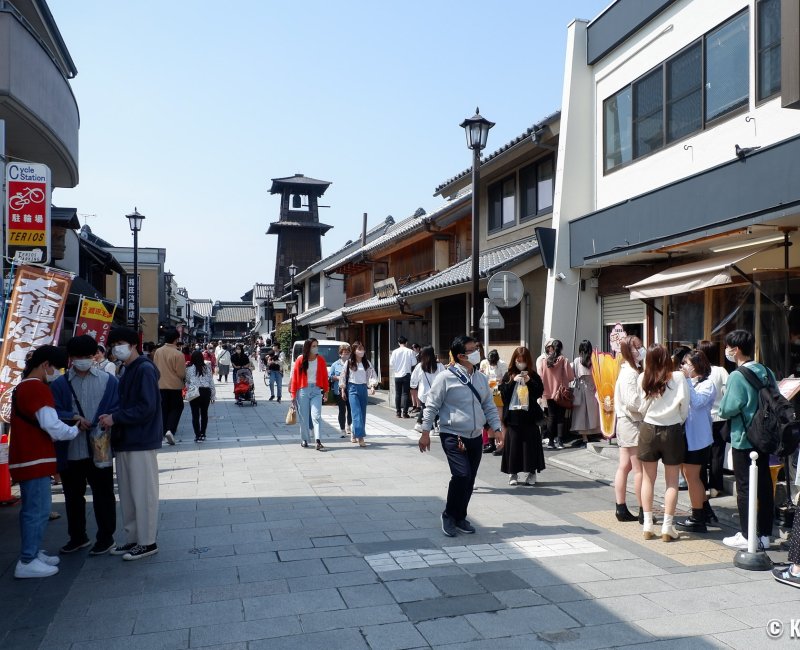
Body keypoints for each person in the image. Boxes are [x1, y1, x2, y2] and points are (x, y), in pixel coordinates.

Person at [419, 336, 502, 537]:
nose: (477, 352)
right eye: (472, 350)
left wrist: (497, 429)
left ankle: (460, 516)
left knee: (470, 479)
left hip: (475, 435)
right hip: (453, 434)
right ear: (461, 356)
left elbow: (489, 406)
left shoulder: (481, 378)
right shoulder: (445, 377)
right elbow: (432, 406)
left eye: (477, 348)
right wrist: (425, 433)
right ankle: (448, 515)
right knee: (461, 475)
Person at [9, 346, 80, 578]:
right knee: (36, 511)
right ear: (45, 364)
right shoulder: (36, 388)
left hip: (29, 456)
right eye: (57, 367)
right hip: (33, 458)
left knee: (35, 509)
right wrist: (73, 431)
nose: (58, 372)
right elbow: (51, 424)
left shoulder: (24, 387)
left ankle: (33, 552)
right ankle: (27, 560)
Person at [51, 335, 120, 556]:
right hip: (71, 449)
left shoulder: (109, 381)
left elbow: (118, 407)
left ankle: (106, 537)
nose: (83, 360)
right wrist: (72, 417)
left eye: (87, 356)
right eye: (78, 357)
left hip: (100, 449)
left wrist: (109, 418)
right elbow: (52, 413)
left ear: (94, 356)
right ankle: (77, 537)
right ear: (70, 358)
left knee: (103, 495)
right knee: (72, 496)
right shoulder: (60, 384)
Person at [98, 327, 162, 561]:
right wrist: (111, 416)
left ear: (134, 344)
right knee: (128, 493)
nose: (116, 348)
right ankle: (133, 538)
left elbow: (147, 407)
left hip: (141, 440)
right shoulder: (129, 368)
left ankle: (147, 541)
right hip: (127, 439)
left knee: (142, 492)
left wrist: (115, 418)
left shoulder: (144, 369)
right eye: (113, 344)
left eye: (121, 343)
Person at [718, 329, 775, 550]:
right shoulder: (767, 371)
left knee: (744, 487)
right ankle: (765, 535)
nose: (727, 350)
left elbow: (727, 408)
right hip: (765, 437)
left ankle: (746, 534)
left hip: (744, 438)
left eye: (729, 346)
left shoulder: (737, 375)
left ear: (737, 349)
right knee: (764, 487)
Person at [637, 344, 690, 542]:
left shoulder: (643, 377)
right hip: (673, 429)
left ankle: (648, 524)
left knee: (647, 479)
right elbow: (685, 406)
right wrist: (677, 419)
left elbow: (641, 407)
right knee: (672, 481)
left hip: (648, 428)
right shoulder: (677, 377)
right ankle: (668, 527)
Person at [675, 349, 717, 533]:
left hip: (699, 439)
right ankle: (704, 510)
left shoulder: (707, 384)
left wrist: (686, 382)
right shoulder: (687, 382)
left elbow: (698, 403)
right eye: (683, 363)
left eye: (686, 363)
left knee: (694, 478)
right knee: (689, 476)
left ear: (697, 366)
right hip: (686, 437)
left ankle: (697, 517)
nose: (683, 366)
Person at [499, 347, 546, 486]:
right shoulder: (509, 375)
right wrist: (513, 381)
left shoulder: (533, 375)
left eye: (523, 361)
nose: (521, 364)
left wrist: (529, 381)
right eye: (518, 361)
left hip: (530, 417)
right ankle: (512, 473)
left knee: (530, 445)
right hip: (513, 417)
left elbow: (539, 392)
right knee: (513, 445)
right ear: (514, 360)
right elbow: (503, 394)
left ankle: (532, 473)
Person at [613, 336, 645, 523]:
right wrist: (649, 402)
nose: (640, 351)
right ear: (628, 351)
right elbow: (633, 402)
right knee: (638, 469)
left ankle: (621, 507)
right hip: (632, 422)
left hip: (626, 422)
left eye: (641, 347)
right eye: (637, 348)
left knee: (625, 466)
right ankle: (643, 510)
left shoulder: (629, 370)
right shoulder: (630, 373)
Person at [698, 340, 728, 497]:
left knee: (702, 453)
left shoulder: (698, 371)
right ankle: (716, 487)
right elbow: (729, 390)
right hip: (719, 418)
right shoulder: (720, 370)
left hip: (702, 418)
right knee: (717, 454)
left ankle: (701, 486)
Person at [289, 338, 329, 451]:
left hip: (316, 390)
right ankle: (305, 439)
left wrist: (326, 391)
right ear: (308, 347)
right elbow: (295, 379)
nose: (316, 348)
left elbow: (325, 377)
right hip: (302, 391)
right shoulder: (300, 360)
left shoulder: (320, 360)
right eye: (314, 346)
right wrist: (293, 395)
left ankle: (318, 440)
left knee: (316, 416)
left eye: (317, 345)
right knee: (303, 417)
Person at [537, 339, 574, 449]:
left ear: (551, 348)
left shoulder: (545, 361)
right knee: (560, 417)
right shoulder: (564, 360)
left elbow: (541, 376)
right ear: (561, 348)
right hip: (561, 393)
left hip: (548, 393)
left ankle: (551, 442)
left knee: (551, 417)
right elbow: (570, 376)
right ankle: (560, 441)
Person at [151, 328, 185, 446]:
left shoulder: (158, 352)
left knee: (163, 409)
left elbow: (155, 368)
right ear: (176, 339)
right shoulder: (178, 353)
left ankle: (163, 430)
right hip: (174, 386)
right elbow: (181, 373)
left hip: (160, 385)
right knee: (176, 408)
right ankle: (170, 430)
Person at [341, 341, 377, 447]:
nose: (361, 351)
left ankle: (354, 432)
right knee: (356, 413)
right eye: (359, 349)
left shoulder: (367, 363)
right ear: (354, 350)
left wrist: (372, 386)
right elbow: (343, 376)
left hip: (363, 388)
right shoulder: (349, 362)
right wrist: (343, 390)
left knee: (362, 413)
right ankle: (360, 437)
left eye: (362, 349)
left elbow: (371, 375)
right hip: (352, 388)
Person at [571, 340, 601, 448]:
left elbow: (573, 375)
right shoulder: (595, 360)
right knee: (593, 413)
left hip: (581, 389)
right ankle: (592, 433)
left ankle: (584, 437)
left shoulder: (577, 360)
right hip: (592, 389)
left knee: (581, 414)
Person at [411, 346, 445, 434]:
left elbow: (414, 379)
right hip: (437, 392)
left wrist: (413, 386)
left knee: (426, 409)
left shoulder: (420, 366)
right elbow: (445, 378)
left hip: (424, 393)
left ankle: (430, 428)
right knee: (436, 409)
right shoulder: (439, 366)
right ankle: (434, 427)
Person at [479, 350, 508, 454]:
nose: (491, 364)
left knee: (499, 418)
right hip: (486, 391)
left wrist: (500, 381)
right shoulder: (483, 363)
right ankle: (491, 443)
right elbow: (481, 375)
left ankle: (502, 444)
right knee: (487, 419)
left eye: (493, 362)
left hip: (497, 391)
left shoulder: (503, 365)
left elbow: (506, 379)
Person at [186, 349, 216, 442]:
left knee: (195, 415)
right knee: (204, 414)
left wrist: (189, 390)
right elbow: (211, 381)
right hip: (205, 391)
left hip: (194, 392)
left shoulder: (189, 369)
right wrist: (213, 395)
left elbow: (187, 382)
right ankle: (203, 433)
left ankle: (197, 435)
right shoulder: (207, 368)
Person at [328, 344, 353, 439]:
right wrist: (339, 378)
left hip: (350, 389)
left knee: (350, 409)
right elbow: (330, 376)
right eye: (344, 353)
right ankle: (342, 429)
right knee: (342, 410)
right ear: (340, 354)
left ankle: (349, 426)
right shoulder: (335, 364)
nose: (346, 355)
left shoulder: (352, 363)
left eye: (348, 353)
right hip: (339, 390)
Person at [390, 336, 417, 419]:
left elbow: (391, 363)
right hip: (406, 374)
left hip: (397, 374)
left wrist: (397, 367)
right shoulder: (410, 351)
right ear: (406, 343)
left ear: (398, 343)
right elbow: (414, 363)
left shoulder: (394, 352)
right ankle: (405, 413)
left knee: (398, 393)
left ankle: (398, 412)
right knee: (405, 393)